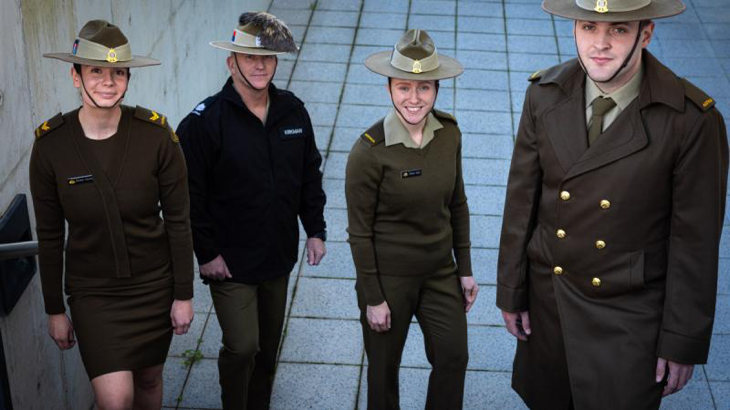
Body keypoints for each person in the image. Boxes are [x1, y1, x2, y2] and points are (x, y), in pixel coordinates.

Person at [496, 0, 728, 408]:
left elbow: (695, 242)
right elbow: (521, 202)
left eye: (618, 30)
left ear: (646, 32)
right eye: (588, 27)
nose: (599, 44)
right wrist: (512, 291)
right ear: (574, 29)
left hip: (630, 312)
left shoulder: (691, 120)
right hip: (552, 297)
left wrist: (681, 339)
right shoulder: (544, 95)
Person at [30, 20, 194, 410]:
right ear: (76, 76)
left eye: (118, 72)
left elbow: (178, 220)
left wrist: (183, 295)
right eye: (96, 71)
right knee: (116, 400)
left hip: (154, 284)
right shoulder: (51, 146)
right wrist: (54, 308)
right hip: (94, 293)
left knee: (150, 381)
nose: (108, 81)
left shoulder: (155, 136)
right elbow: (50, 235)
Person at [176, 12, 327, 410]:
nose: (259, 65)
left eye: (268, 58)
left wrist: (315, 228)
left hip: (277, 255)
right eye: (248, 57)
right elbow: (187, 194)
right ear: (231, 62)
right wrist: (206, 252)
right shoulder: (205, 122)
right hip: (230, 260)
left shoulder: (293, 112)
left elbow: (309, 171)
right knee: (243, 345)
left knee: (267, 350)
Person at [346, 29, 479, 410]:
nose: (414, 98)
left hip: (440, 272)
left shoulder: (450, 134)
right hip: (389, 279)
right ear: (389, 88)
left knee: (454, 358)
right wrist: (373, 297)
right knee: (383, 372)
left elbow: (458, 203)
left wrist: (464, 269)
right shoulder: (368, 153)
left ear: (436, 89)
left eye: (424, 88)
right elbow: (359, 232)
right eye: (404, 87)